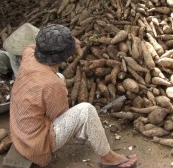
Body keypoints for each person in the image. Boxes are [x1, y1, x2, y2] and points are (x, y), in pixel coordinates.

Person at [10, 24, 137, 168]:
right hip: (34, 145)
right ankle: (108, 158)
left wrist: (71, 42)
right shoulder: (50, 84)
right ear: (65, 57)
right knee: (86, 110)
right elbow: (57, 116)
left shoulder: (28, 54)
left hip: (19, 131)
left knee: (59, 77)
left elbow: (34, 46)